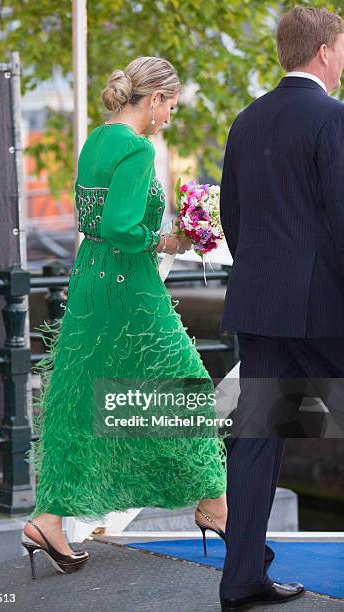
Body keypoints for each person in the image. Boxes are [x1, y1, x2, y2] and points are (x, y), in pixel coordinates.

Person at [23, 56, 228, 579]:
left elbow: (92, 218)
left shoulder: (96, 139)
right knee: (188, 387)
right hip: (130, 287)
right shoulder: (137, 148)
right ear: (154, 99)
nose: (170, 118)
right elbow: (119, 223)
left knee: (79, 396)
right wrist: (168, 239)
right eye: (171, 107)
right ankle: (213, 503)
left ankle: (48, 518)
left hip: (90, 281)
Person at [219, 6, 344, 611]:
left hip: (261, 305)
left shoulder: (246, 121)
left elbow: (233, 220)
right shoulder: (332, 118)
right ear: (324, 52)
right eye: (342, 48)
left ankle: (240, 580)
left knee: (257, 439)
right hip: (325, 308)